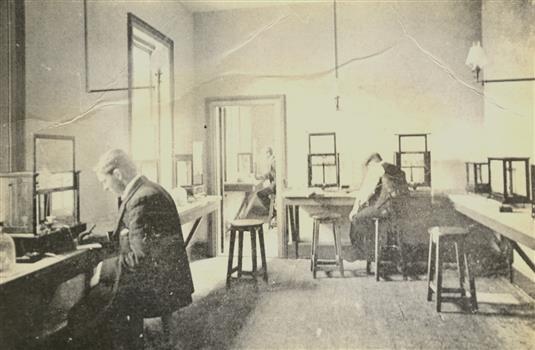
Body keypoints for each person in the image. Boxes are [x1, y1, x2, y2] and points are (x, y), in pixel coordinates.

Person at [67, 149, 194, 350]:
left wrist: (102, 269)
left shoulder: (140, 200)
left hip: (154, 286)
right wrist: (103, 237)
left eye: (104, 181)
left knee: (80, 315)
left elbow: (140, 257)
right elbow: (136, 234)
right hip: (167, 281)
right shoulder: (149, 189)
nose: (105, 188)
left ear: (117, 174)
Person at [345, 152, 409, 263]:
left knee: (356, 217)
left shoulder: (377, 168)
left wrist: (355, 208)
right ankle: (371, 253)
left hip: (384, 209)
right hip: (399, 211)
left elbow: (368, 192)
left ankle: (360, 252)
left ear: (372, 163)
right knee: (368, 216)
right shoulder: (395, 169)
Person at [256, 146, 276, 217]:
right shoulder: (271, 160)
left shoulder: (273, 161)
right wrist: (261, 177)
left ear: (268, 153)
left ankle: (272, 211)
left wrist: (261, 177)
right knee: (261, 193)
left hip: (276, 185)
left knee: (260, 194)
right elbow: (270, 173)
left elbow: (275, 174)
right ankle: (272, 210)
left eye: (264, 154)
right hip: (274, 184)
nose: (263, 156)